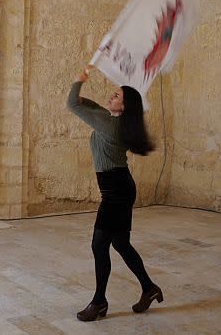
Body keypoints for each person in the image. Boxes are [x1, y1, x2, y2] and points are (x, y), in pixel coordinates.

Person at [66, 65, 162, 321]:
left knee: (99, 244)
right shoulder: (112, 120)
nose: (111, 96)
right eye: (114, 93)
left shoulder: (110, 125)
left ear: (124, 107)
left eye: (117, 96)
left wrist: (79, 78)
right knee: (119, 243)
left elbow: (73, 105)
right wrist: (83, 91)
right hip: (118, 186)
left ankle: (99, 302)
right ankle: (149, 288)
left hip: (116, 191)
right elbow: (86, 104)